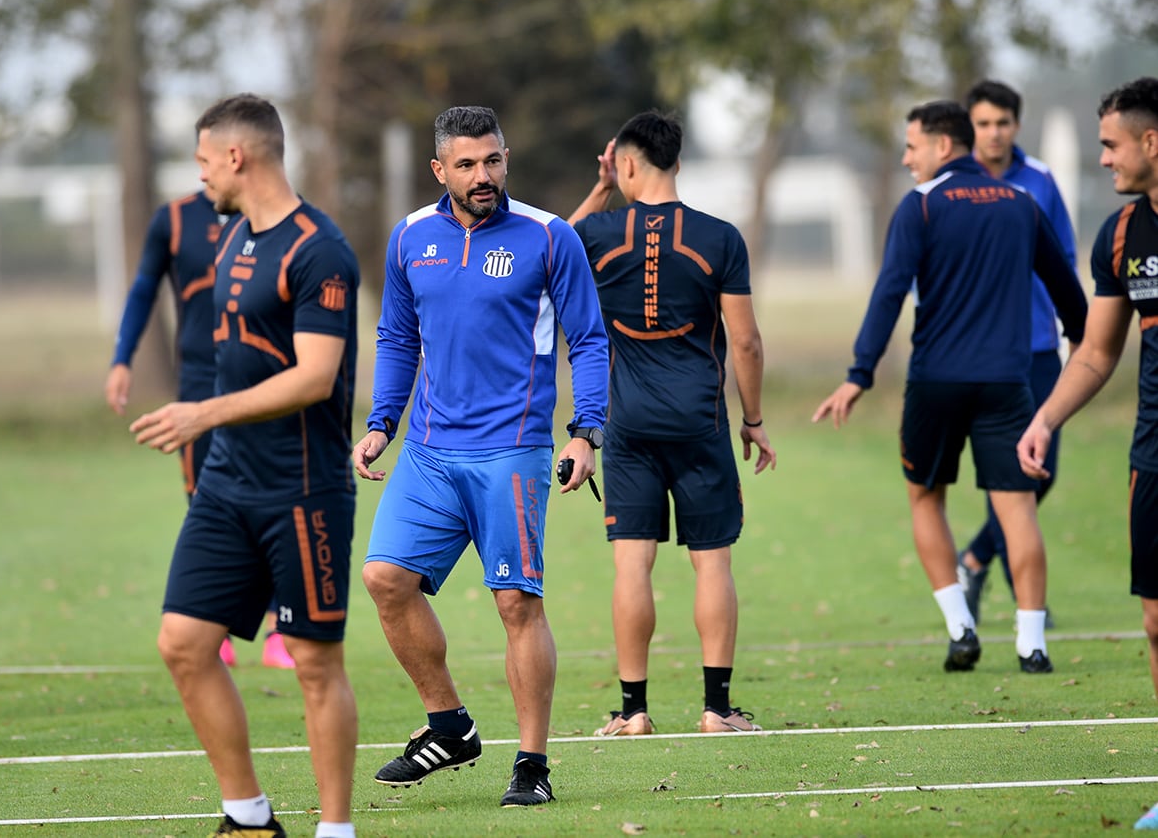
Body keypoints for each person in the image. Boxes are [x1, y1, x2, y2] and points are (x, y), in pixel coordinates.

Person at [352, 105, 608, 807]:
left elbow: (588, 340)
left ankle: (533, 764)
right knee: (383, 578)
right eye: (466, 163)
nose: (483, 174)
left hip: (513, 449)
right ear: (440, 170)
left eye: (492, 159)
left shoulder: (548, 237)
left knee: (516, 602)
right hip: (430, 452)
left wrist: (586, 431)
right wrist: (381, 422)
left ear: (506, 159)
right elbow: (398, 337)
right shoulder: (410, 237)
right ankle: (450, 724)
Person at [130, 93, 361, 838]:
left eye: (203, 161)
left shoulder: (319, 250)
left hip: (302, 490)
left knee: (316, 662)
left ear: (238, 156)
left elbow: (315, 376)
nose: (200, 178)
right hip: (227, 485)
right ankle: (248, 815)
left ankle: (335, 829)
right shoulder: (232, 238)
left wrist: (203, 413)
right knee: (183, 642)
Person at [812, 100, 1086, 675]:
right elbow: (1068, 292)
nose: (906, 157)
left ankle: (962, 628)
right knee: (1018, 510)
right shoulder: (1021, 204)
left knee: (925, 497)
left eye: (912, 146)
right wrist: (1087, 347)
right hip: (1008, 383)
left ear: (942, 146)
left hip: (935, 382)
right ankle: (1031, 643)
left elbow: (889, 292)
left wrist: (859, 375)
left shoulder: (921, 206)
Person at [565, 111, 776, 737]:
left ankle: (633, 712)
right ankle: (716, 709)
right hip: (700, 422)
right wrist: (754, 419)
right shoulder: (719, 239)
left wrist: (601, 190)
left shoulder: (599, 234)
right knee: (712, 565)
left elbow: (548, 249)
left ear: (626, 163)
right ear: (676, 162)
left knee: (633, 566)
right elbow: (747, 344)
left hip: (626, 425)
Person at [1008, 77, 1158, 827]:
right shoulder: (1123, 236)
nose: (1102, 159)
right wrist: (1044, 419)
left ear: (1151, 141)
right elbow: (1097, 354)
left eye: (1110, 144)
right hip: (1155, 453)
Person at [105, 187, 295, 671]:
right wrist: (122, 359)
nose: (206, 167)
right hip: (196, 382)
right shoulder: (172, 219)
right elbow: (144, 287)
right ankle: (219, 627)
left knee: (272, 499)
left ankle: (278, 628)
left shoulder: (280, 217)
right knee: (208, 500)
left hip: (260, 382)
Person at [956, 79, 1079, 626]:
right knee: (1005, 469)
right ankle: (1028, 598)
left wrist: (1078, 330)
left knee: (1041, 468)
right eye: (983, 123)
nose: (993, 133)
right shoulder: (954, 184)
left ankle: (977, 556)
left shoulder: (1041, 182)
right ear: (970, 128)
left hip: (1038, 345)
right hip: (983, 349)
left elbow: (1066, 259)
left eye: (1002, 123)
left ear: (1016, 126)